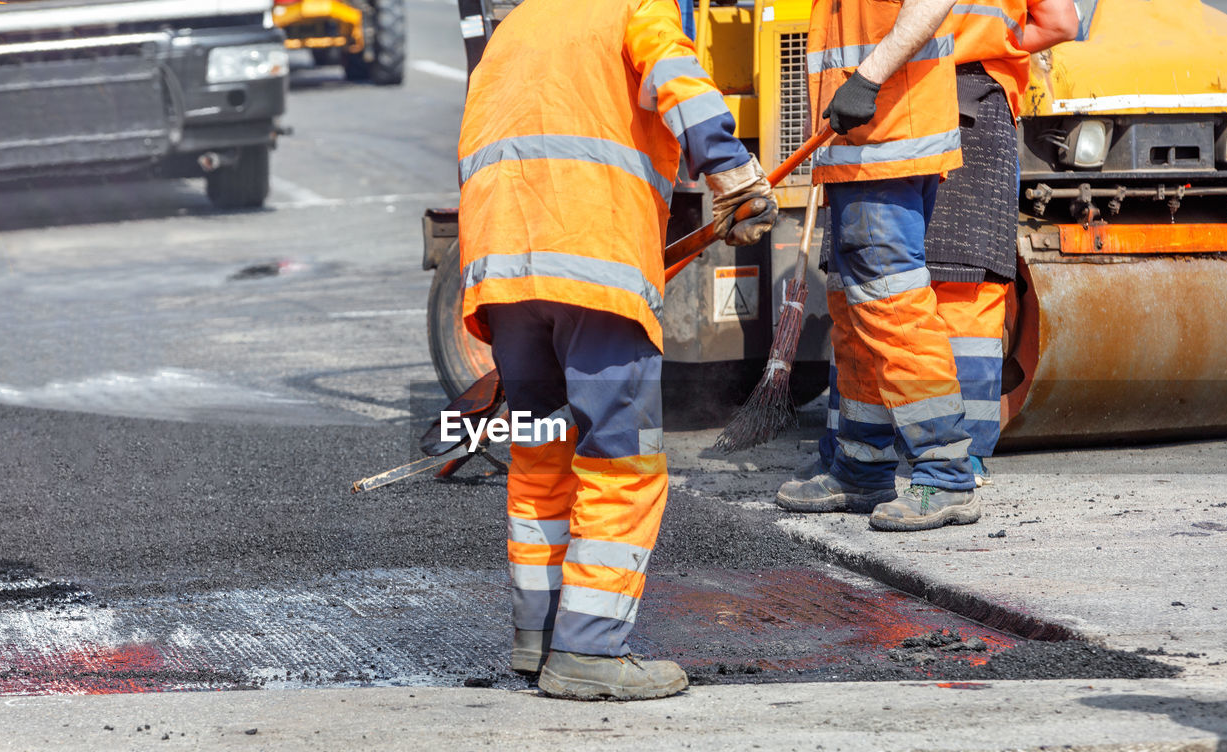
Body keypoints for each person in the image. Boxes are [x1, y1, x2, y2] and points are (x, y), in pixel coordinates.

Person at [458, 0, 777, 699]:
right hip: (592, 264)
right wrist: (732, 171)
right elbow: (681, 84)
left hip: (503, 273)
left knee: (542, 452)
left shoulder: (515, 29)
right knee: (620, 457)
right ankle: (592, 651)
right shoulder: (634, 9)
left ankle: (537, 638)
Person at [784, 0, 1078, 495]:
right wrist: (988, 44)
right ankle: (950, 458)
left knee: (882, 295)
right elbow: (1060, 22)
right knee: (956, 291)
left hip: (896, 100)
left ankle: (930, 468)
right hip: (969, 96)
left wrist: (888, 64)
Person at [775, 0, 980, 532]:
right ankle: (863, 467)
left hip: (889, 137)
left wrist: (867, 78)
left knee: (892, 306)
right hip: (858, 145)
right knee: (854, 308)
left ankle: (945, 473)